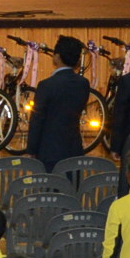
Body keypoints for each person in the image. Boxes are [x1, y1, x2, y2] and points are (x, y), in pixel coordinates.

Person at [26, 38, 93, 169]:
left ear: (57, 57)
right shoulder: (83, 83)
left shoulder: (46, 85)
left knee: (50, 188)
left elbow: (37, 119)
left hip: (49, 151)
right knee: (73, 188)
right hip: (74, 148)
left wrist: (31, 149)